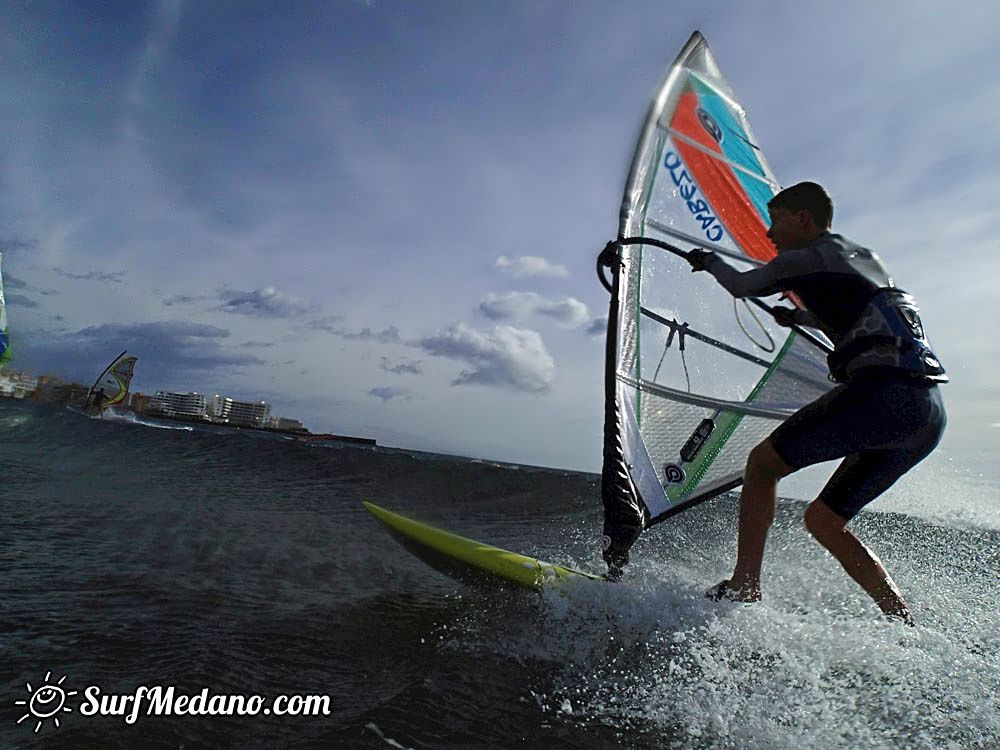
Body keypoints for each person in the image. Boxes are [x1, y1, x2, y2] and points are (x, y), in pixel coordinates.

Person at [688, 182, 947, 624]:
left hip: (883, 395)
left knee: (763, 463)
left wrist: (708, 261)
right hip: (927, 412)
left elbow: (742, 285)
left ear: (803, 220)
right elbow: (861, 316)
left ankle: (745, 584)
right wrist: (801, 317)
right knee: (824, 520)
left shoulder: (801, 259)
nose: (770, 234)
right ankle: (903, 622)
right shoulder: (864, 258)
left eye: (777, 221)